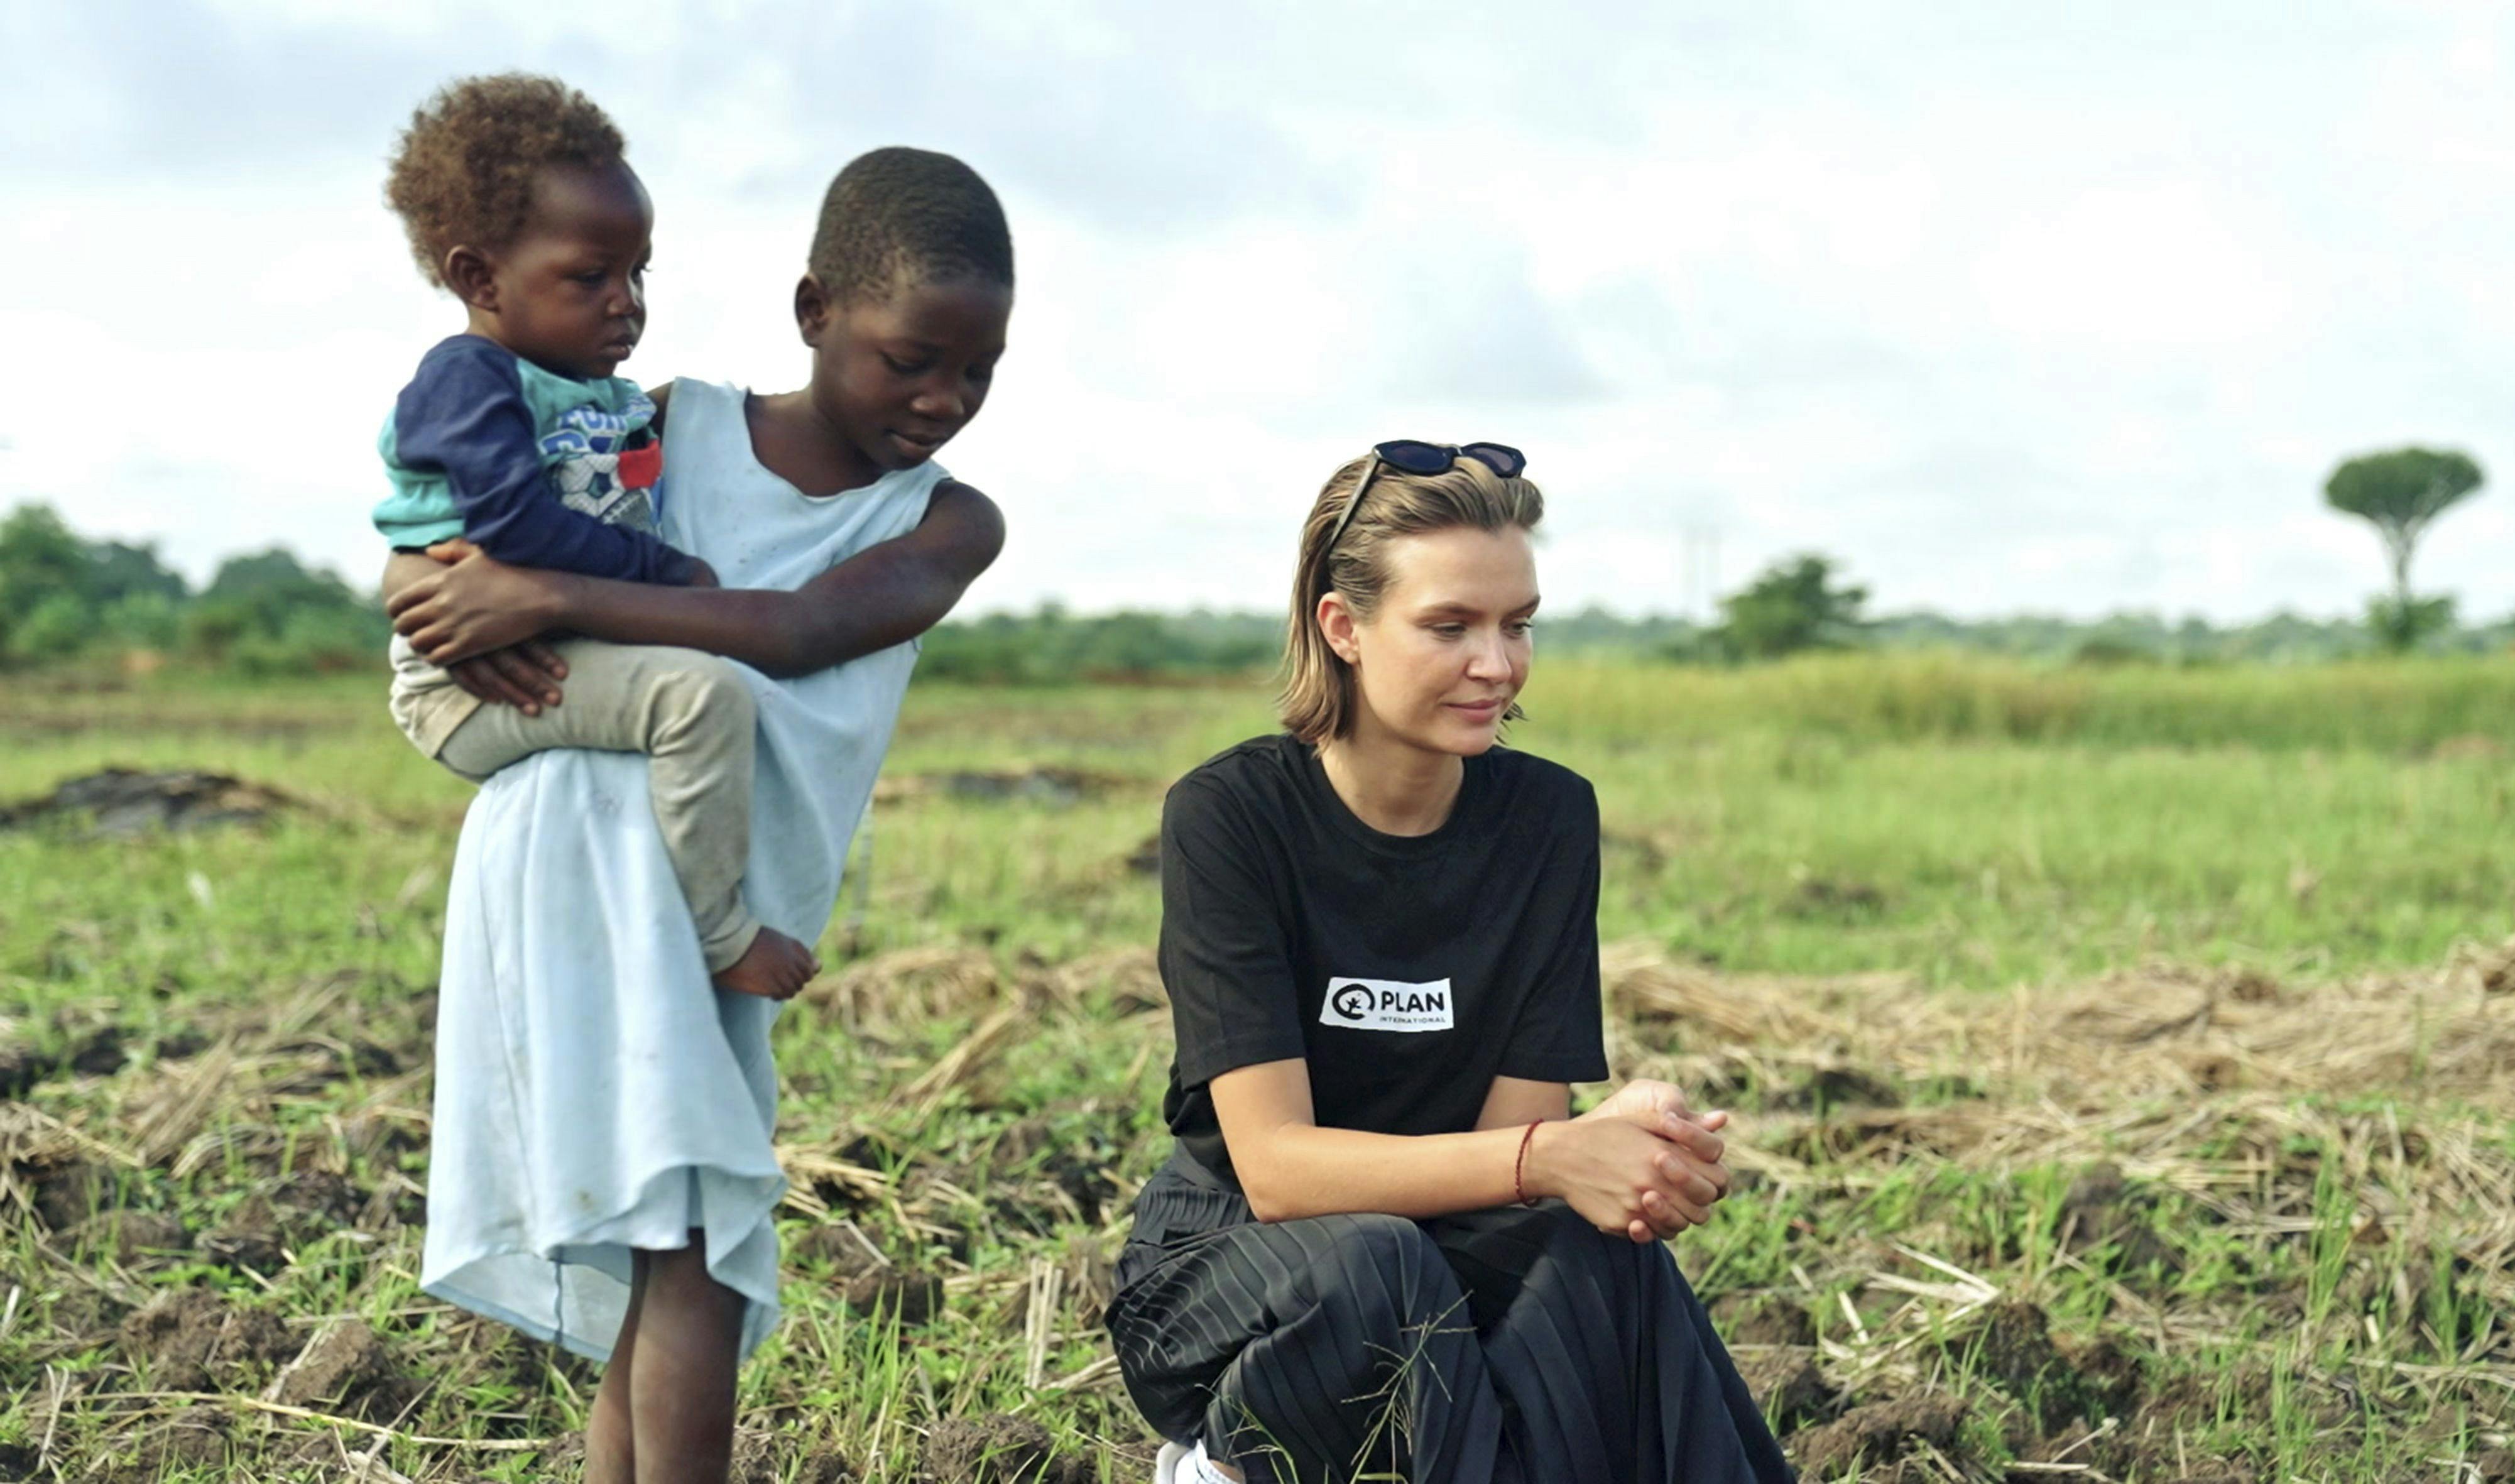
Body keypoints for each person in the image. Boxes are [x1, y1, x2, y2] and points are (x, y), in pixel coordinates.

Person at [381, 144, 1015, 1484]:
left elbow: (792, 629)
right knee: (693, 1238)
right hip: (593, 850)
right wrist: (428, 577)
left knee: (681, 1240)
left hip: (726, 888)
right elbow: (457, 513)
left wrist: (549, 597)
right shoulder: (661, 422)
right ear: (814, 310)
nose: (943, 397)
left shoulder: (951, 521)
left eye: (977, 368)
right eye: (912, 357)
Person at [1106, 442, 1796, 1484]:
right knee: (1377, 1259)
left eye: (1518, 623)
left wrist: (1625, 1145)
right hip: (1237, 1265)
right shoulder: (1231, 817)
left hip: (1440, 1243)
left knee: (1602, 1258)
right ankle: (1223, 1464)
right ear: (1344, 627)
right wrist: (1554, 1155)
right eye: (1450, 626)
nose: (1499, 662)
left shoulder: (1548, 816)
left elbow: (1506, 1154)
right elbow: (1280, 1169)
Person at [373, 73, 815, 1001]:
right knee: (701, 697)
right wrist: (668, 574)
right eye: (590, 277)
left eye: (638, 272)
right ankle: (718, 931)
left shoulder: (601, 395)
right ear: (478, 278)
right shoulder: (470, 378)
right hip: (464, 677)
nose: (627, 301)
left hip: (546, 645)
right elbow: (510, 523)